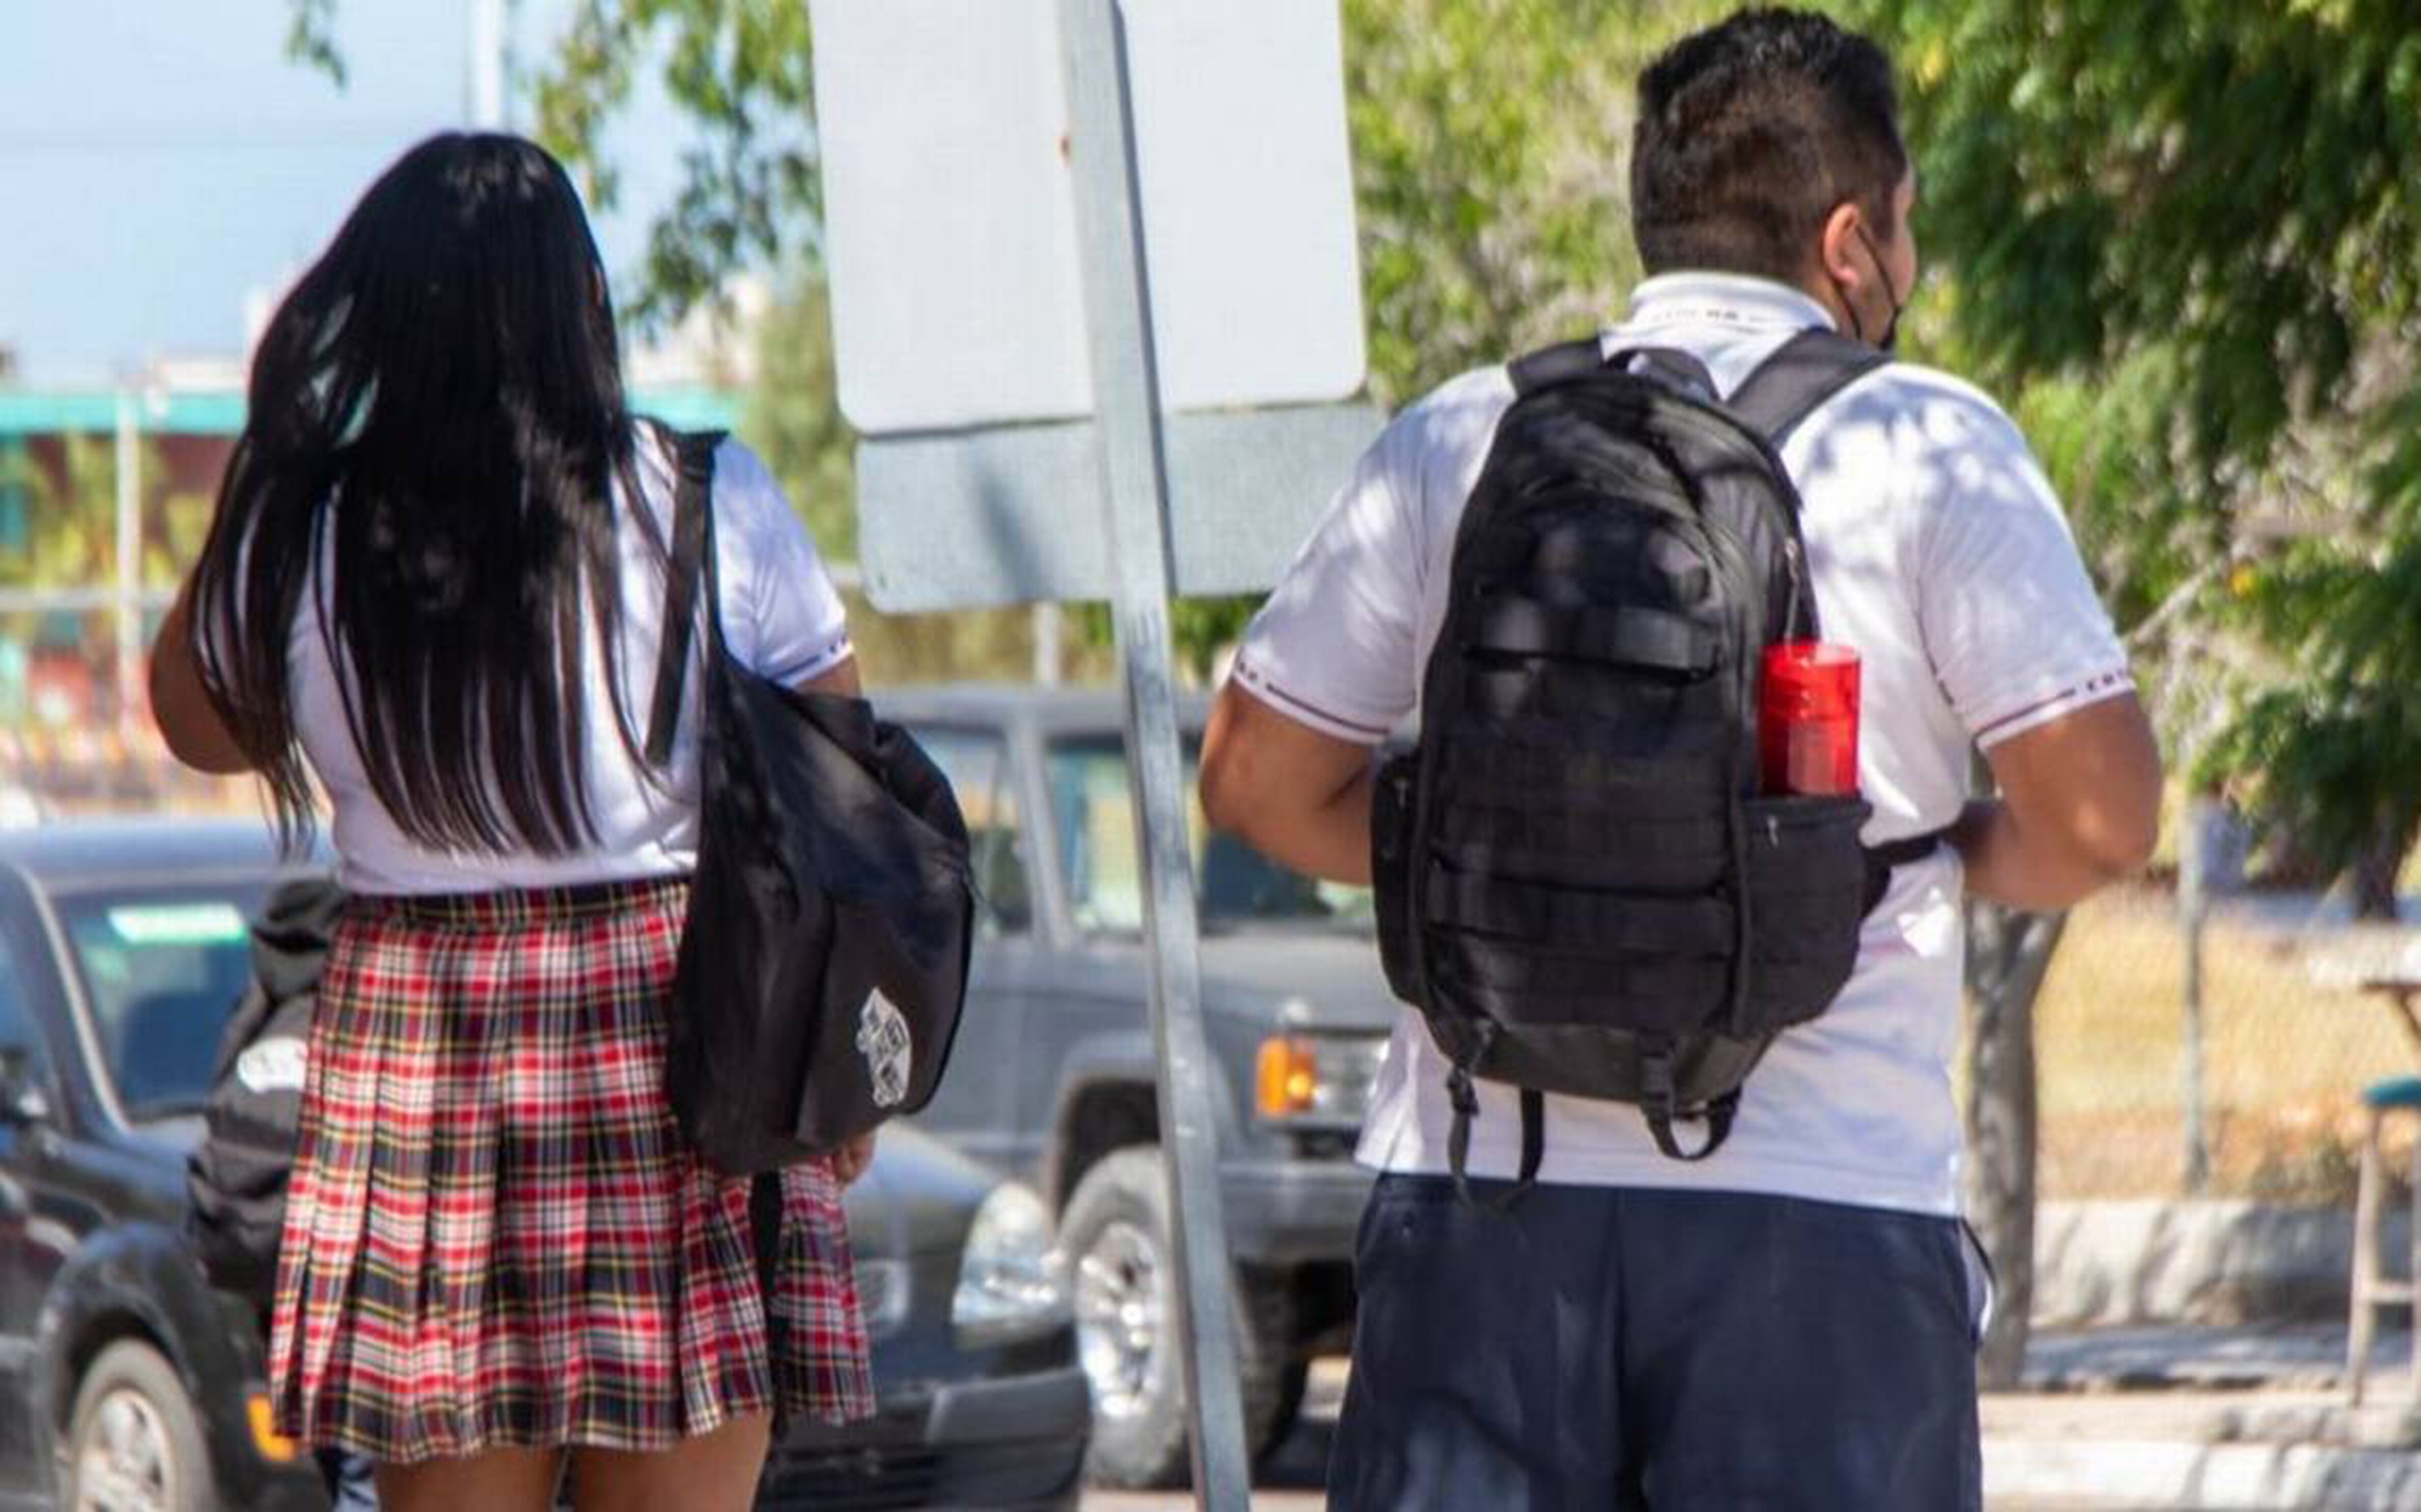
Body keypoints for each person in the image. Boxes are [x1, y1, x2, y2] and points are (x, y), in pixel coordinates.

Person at [1199, 9, 2164, 1508]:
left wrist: (1471, 857)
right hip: (1821, 1227)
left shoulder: (1465, 432)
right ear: (1852, 243)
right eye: (1905, 233)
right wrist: (1911, 849)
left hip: (1480, 1213)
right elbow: (2101, 820)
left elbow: (1254, 783)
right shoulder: (1929, 446)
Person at [149, 132, 877, 1512]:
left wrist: (277, 460)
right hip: (687, 1069)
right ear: (579, 307)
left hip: (428, 1077)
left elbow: (189, 718)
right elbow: (846, 798)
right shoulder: (712, 505)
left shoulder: (310, 536)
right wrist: (839, 1084)